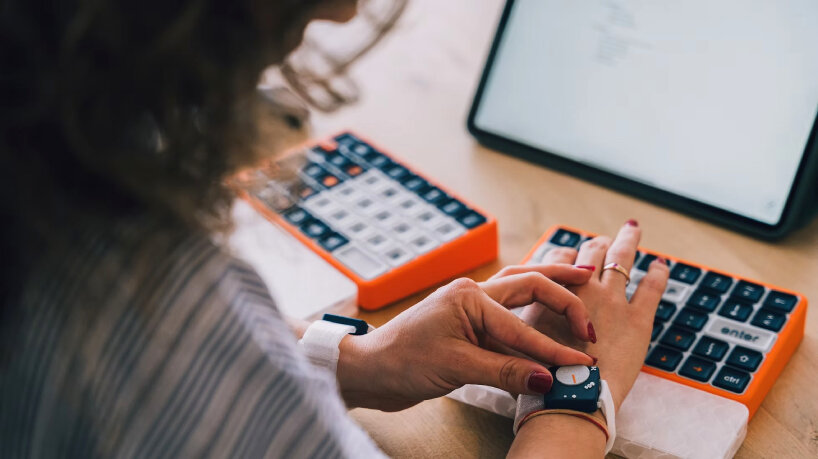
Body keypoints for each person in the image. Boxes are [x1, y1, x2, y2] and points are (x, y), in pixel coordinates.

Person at [0, 0, 670, 457]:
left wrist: (354, 359)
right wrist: (576, 408)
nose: (346, 10)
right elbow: (176, 355)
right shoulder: (139, 304)